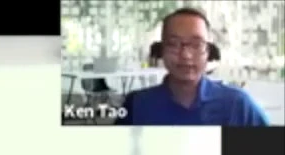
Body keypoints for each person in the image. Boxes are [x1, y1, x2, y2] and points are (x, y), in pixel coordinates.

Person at [116, 7, 271, 127]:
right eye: (174, 44)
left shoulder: (238, 104)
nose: (186, 55)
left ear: (209, 52)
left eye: (196, 44)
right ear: (161, 50)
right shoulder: (137, 104)